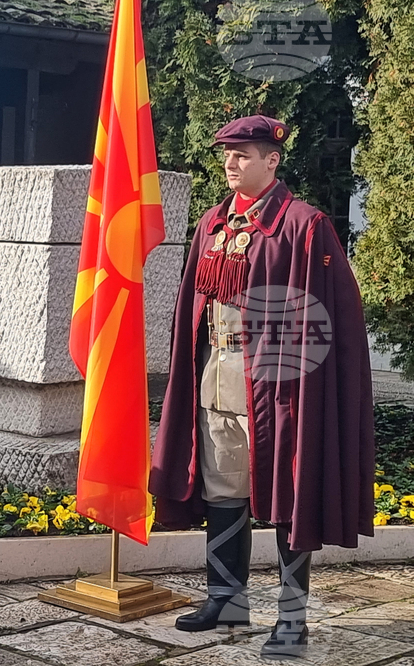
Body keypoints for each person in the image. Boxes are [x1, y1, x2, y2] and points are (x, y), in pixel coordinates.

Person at [150, 116, 375, 659]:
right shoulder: (211, 224)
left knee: (288, 499)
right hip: (216, 380)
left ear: (272, 161)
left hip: (279, 390)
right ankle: (225, 599)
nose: (231, 163)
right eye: (227, 154)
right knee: (223, 490)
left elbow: (333, 317)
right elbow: (194, 308)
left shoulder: (304, 225)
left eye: (244, 155)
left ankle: (292, 618)